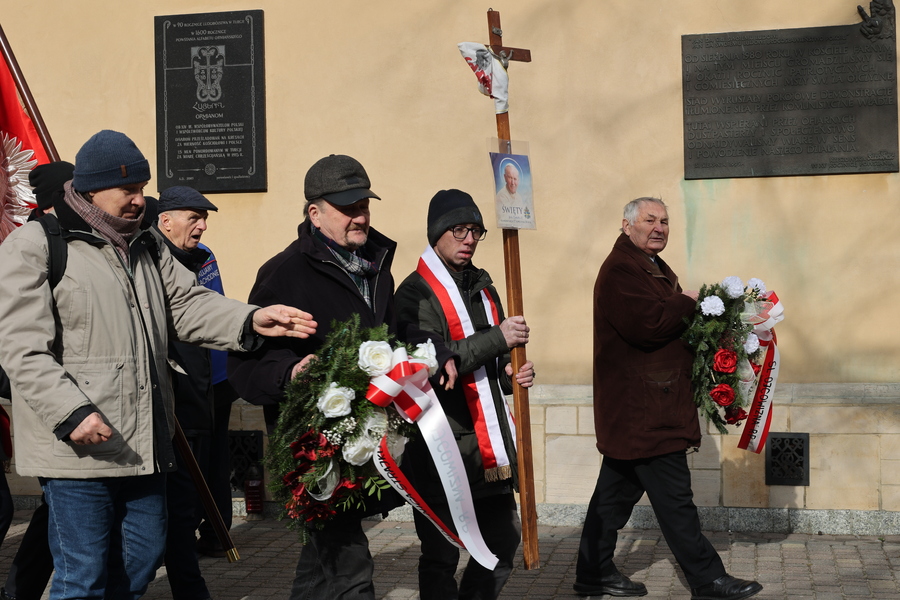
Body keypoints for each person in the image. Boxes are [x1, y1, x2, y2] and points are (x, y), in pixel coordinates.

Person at [0, 130, 316, 600]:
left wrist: (251, 319)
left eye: (142, 188)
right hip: (77, 448)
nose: (139, 200)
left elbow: (186, 304)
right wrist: (72, 413)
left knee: (144, 554)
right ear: (91, 190)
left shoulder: (146, 241)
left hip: (144, 439)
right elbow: (21, 347)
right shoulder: (35, 245)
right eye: (128, 190)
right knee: (83, 574)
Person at [227, 154, 457, 600]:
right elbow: (246, 363)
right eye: (348, 208)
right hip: (315, 448)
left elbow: (390, 331)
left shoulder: (375, 264)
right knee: (352, 570)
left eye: (364, 205)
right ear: (315, 213)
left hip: (367, 441)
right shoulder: (283, 273)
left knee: (321, 568)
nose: (361, 216)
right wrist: (290, 371)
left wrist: (434, 347)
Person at [574, 197, 763, 600]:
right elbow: (648, 325)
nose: (659, 227)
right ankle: (707, 579)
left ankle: (593, 572)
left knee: (613, 496)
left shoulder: (648, 265)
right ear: (627, 225)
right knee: (676, 500)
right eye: (649, 220)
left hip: (645, 405)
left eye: (664, 221)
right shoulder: (622, 269)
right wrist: (688, 300)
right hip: (646, 411)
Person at [394, 189, 534, 600]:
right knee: (441, 553)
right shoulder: (415, 293)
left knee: (503, 541)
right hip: (441, 444)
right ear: (436, 233)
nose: (469, 239)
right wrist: (499, 339)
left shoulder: (483, 286)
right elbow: (435, 364)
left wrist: (511, 373)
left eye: (475, 230)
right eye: (458, 230)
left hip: (488, 444)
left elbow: (495, 360)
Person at [0, 161, 75, 600]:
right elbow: (19, 341)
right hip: (49, 401)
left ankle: (20, 590)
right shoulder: (28, 247)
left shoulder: (74, 241)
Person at [152, 185, 227, 599]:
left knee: (185, 508)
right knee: (169, 513)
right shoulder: (148, 263)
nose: (202, 226)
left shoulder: (199, 258)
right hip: (169, 409)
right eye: (194, 217)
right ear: (165, 221)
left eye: (205, 218)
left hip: (199, 400)